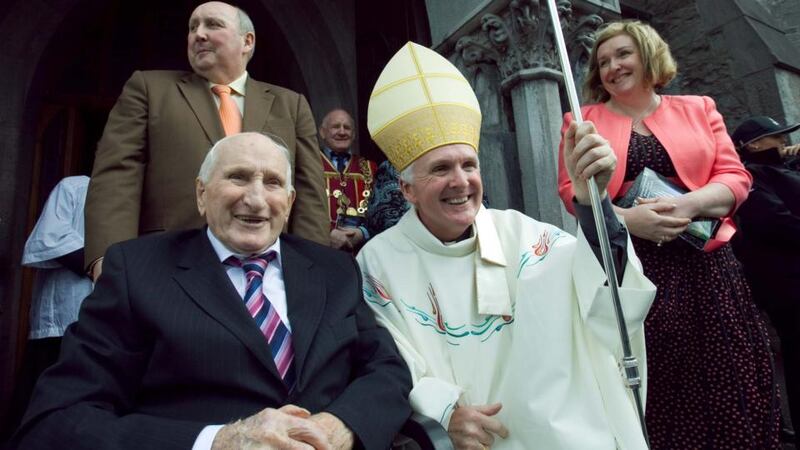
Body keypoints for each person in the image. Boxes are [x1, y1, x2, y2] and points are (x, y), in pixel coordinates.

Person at [12, 132, 412, 450]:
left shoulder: (334, 271)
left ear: (289, 202)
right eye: (237, 177)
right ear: (201, 193)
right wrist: (217, 441)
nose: (255, 198)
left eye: (272, 183)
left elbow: (386, 370)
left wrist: (342, 426)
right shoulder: (137, 271)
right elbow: (57, 419)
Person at [358, 41, 657, 450]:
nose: (461, 181)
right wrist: (445, 411)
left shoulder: (525, 236)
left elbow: (604, 299)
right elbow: (388, 360)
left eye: (469, 165)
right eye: (441, 169)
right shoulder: (378, 261)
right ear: (407, 189)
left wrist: (594, 201)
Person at [557, 20, 780, 448]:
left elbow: (734, 177)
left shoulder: (699, 107)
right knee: (661, 383)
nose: (612, 67)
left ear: (648, 53)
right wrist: (628, 221)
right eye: (603, 62)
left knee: (729, 374)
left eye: (622, 54)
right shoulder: (582, 120)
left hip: (708, 269)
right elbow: (573, 193)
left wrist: (688, 205)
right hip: (640, 271)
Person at [84, 1, 329, 281]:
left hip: (265, 269)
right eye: (192, 27)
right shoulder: (150, 90)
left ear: (247, 41)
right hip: (167, 264)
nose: (198, 34)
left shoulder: (290, 105)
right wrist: (107, 259)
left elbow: (309, 192)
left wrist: (312, 266)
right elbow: (116, 176)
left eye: (212, 25)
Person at [6, 176, 93, 437]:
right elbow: (50, 240)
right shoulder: (75, 188)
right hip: (60, 328)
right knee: (36, 414)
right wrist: (110, 264)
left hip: (104, 333)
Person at [731, 115, 800, 439]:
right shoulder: (749, 179)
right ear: (754, 145)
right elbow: (776, 223)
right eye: (777, 137)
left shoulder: (781, 171)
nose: (784, 142)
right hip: (787, 287)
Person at [318, 109, 377, 251]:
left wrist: (363, 233)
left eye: (347, 127)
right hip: (319, 248)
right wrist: (328, 233)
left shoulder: (370, 168)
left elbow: (381, 212)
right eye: (335, 126)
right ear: (322, 132)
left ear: (354, 134)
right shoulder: (310, 164)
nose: (342, 132)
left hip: (362, 251)